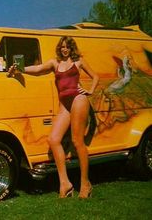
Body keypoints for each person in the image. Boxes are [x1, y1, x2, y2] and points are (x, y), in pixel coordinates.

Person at [8, 36, 99, 199]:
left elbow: (96, 76)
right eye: (62, 47)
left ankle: (86, 183)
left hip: (78, 99)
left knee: (77, 142)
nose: (65, 49)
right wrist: (19, 69)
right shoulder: (54, 64)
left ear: (71, 48)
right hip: (64, 103)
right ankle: (65, 183)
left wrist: (90, 90)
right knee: (54, 139)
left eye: (67, 47)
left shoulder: (79, 62)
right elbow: (37, 70)